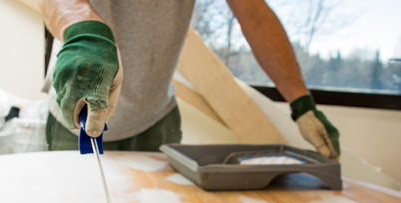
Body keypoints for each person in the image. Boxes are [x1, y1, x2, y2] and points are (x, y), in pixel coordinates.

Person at [41, 0, 340, 159]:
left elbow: (255, 16)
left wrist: (301, 102)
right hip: (77, 111)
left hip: (155, 118)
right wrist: (83, 31)